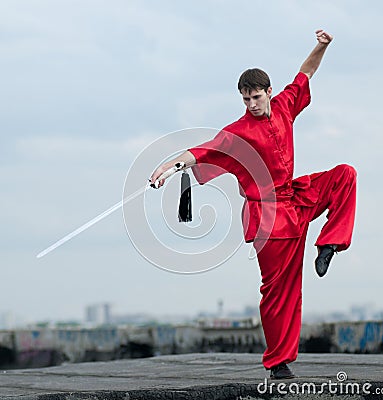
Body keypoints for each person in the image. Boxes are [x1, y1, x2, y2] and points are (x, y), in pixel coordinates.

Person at [150, 29, 356, 379]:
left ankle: (329, 244)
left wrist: (322, 45)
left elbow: (305, 72)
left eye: (256, 97)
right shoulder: (238, 132)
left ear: (269, 92)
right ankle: (278, 362)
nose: (252, 105)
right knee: (279, 292)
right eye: (245, 99)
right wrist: (168, 168)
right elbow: (202, 151)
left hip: (297, 197)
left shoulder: (287, 104)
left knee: (345, 175)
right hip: (269, 219)